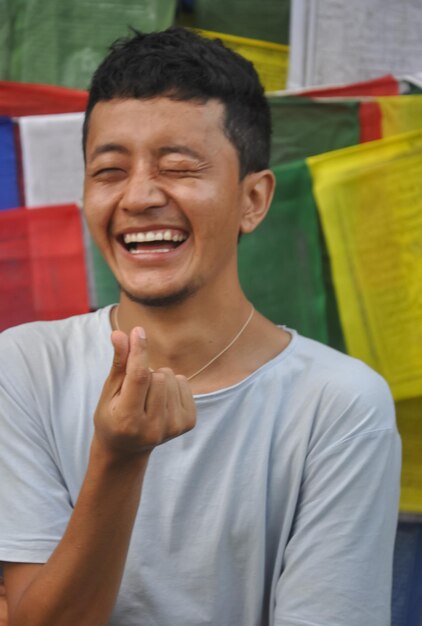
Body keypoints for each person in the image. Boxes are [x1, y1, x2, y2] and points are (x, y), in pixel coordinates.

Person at [0, 27, 401, 626]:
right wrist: (119, 458)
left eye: (180, 167)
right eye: (108, 171)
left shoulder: (340, 406)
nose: (138, 196)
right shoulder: (25, 366)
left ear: (253, 200)